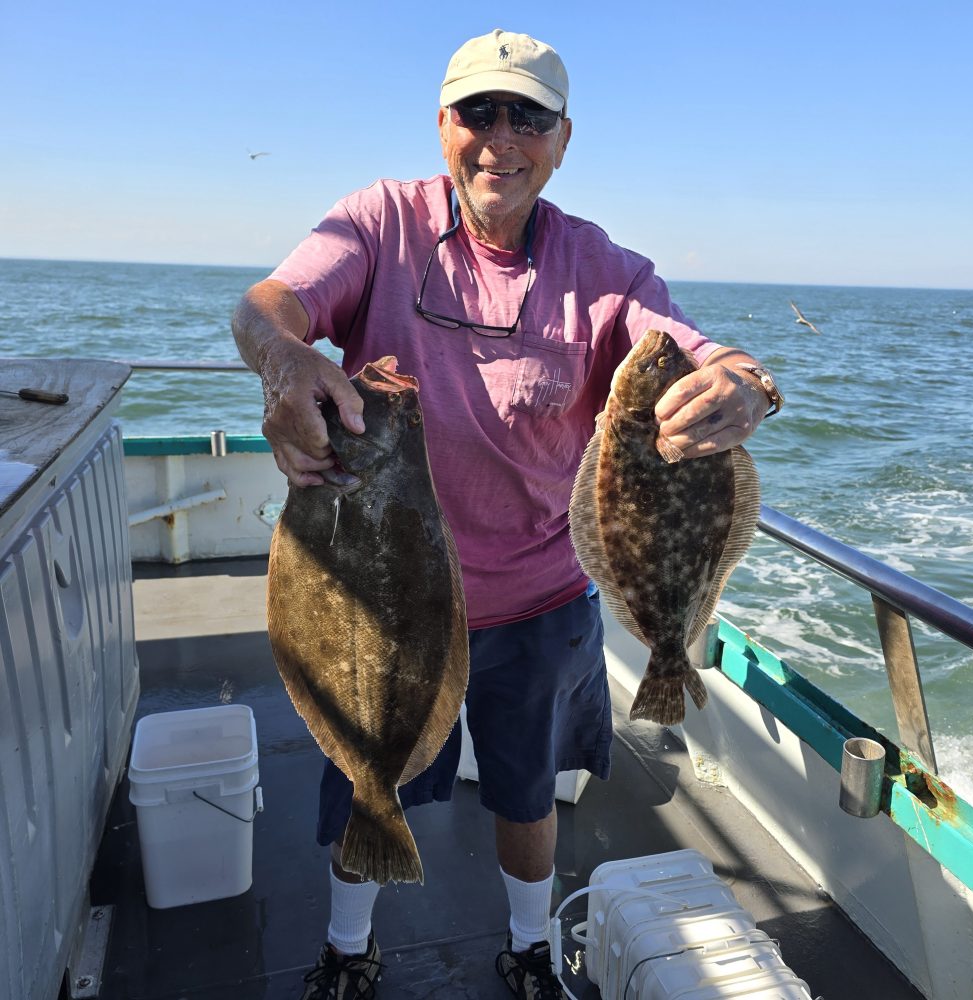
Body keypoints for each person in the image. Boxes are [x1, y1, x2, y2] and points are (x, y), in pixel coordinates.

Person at [232, 27, 783, 1000]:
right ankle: (347, 949)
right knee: (367, 783)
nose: (500, 137)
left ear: (562, 139)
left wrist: (742, 384)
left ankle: (530, 945)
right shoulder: (379, 224)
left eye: (526, 116)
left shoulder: (602, 266)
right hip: (385, 600)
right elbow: (268, 304)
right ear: (442, 126)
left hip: (539, 599)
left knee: (528, 795)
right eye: (478, 112)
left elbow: (696, 353)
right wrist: (286, 359)